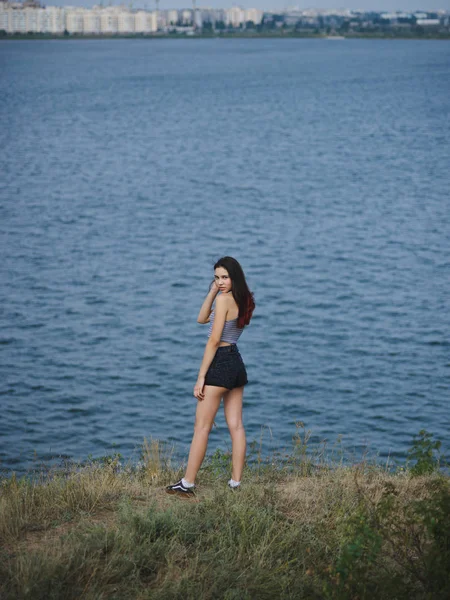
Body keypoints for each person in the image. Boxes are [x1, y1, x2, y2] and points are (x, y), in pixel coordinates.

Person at [166, 256, 255, 498]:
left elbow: (214, 340)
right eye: (216, 277)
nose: (220, 282)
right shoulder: (243, 299)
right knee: (236, 426)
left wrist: (200, 377)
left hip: (220, 362)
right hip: (236, 362)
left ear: (234, 276)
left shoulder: (225, 299)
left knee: (202, 427)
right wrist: (211, 292)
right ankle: (236, 484)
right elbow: (202, 318)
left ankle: (187, 484)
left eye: (224, 277)